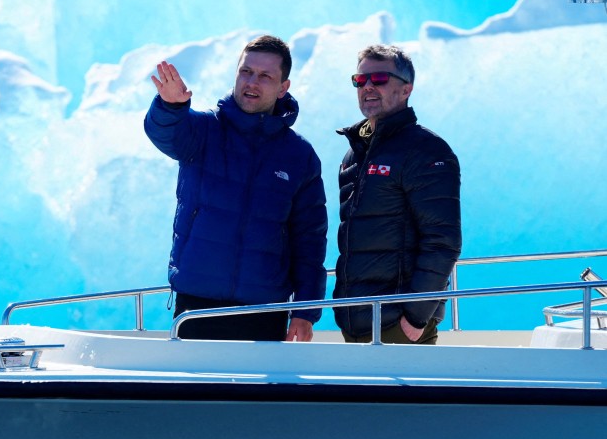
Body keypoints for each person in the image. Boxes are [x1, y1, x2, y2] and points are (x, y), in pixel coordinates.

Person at [144, 35, 327, 342]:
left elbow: (309, 239)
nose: (252, 83)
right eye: (246, 72)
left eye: (265, 76)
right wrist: (170, 106)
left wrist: (305, 311)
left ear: (283, 87)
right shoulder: (202, 131)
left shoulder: (299, 156)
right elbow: (165, 132)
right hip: (198, 306)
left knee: (258, 393)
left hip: (264, 311)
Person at [335, 44, 462, 344]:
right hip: (356, 322)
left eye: (379, 79)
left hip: (398, 326)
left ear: (406, 90)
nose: (367, 86)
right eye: (360, 80)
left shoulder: (426, 150)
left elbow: (443, 241)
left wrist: (416, 318)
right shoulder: (353, 156)